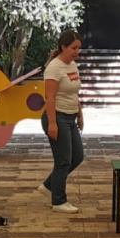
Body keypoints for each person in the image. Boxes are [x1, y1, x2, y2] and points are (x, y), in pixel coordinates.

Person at [38, 29, 85, 213]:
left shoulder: (72, 65)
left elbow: (74, 92)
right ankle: (58, 201)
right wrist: (52, 123)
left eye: (79, 48)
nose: (76, 52)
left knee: (77, 156)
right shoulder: (54, 68)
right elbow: (49, 98)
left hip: (70, 116)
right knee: (63, 161)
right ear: (63, 46)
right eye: (73, 48)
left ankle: (49, 186)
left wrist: (80, 114)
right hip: (57, 116)